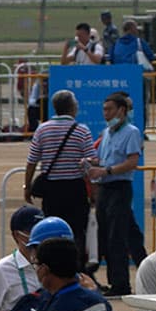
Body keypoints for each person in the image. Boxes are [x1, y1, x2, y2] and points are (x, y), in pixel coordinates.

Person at [86, 91, 146, 294]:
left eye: (110, 109)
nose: (106, 113)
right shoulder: (106, 133)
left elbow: (131, 162)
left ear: (121, 110)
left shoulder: (131, 132)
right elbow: (102, 159)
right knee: (109, 233)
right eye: (104, 109)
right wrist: (91, 164)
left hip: (119, 187)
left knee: (116, 237)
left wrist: (106, 170)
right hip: (105, 188)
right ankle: (123, 278)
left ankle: (121, 284)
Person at [24, 90, 99, 252]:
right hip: (75, 189)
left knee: (52, 232)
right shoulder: (82, 130)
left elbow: (31, 162)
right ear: (73, 108)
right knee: (77, 232)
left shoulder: (42, 130)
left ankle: (53, 265)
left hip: (52, 190)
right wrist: (93, 191)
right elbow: (91, 164)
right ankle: (76, 267)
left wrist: (27, 186)